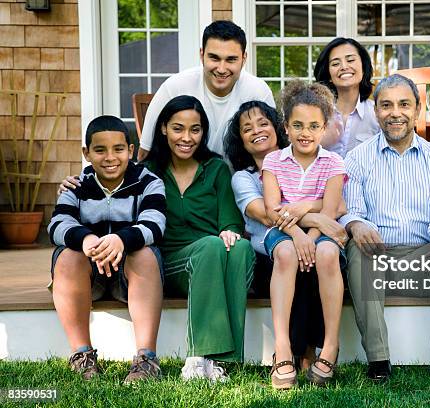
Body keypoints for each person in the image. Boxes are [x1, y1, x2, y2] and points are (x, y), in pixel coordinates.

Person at [341, 74, 430, 383]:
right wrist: (355, 224)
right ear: (376, 110)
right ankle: (378, 361)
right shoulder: (357, 159)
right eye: (386, 105)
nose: (395, 113)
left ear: (417, 109)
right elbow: (347, 212)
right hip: (378, 257)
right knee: (357, 246)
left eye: (404, 104)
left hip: (426, 257)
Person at [224, 101, 347, 374]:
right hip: (269, 246)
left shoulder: (320, 161)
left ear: (276, 128)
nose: (257, 130)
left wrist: (304, 210)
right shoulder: (245, 178)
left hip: (303, 241)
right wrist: (314, 218)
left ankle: (310, 352)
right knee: (292, 258)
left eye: (262, 123)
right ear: (288, 128)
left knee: (314, 261)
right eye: (247, 128)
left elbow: (338, 206)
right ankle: (293, 351)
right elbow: (269, 214)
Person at [142, 95, 254, 381]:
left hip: (212, 257)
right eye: (178, 128)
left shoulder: (215, 168)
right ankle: (197, 358)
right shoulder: (147, 171)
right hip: (170, 264)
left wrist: (230, 230)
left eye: (195, 129)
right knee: (210, 246)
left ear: (204, 132)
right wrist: (75, 184)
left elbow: (229, 219)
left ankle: (220, 362)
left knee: (240, 249)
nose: (187, 137)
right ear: (164, 128)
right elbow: (107, 180)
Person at [48, 116, 166, 383]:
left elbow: (155, 224)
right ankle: (82, 355)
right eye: (100, 150)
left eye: (119, 149)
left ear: (131, 151)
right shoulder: (76, 186)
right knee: (67, 256)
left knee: (147, 253)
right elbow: (57, 224)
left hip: (131, 274)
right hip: (89, 277)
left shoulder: (149, 183)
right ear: (86, 153)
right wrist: (86, 239)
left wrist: (121, 240)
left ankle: (147, 358)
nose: (110, 157)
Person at [261, 81, 347, 388]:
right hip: (283, 233)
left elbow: (332, 207)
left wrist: (308, 230)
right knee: (285, 254)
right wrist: (298, 235)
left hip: (318, 232)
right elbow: (273, 209)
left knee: (327, 253)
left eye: (313, 126)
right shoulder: (274, 161)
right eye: (297, 125)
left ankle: (331, 345)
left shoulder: (333, 162)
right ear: (286, 127)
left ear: (324, 128)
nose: (305, 133)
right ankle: (282, 347)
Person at [137, 20, 274, 160]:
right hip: (183, 179)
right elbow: (145, 152)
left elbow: (274, 152)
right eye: (214, 58)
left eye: (231, 59)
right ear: (202, 55)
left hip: (241, 178)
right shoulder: (174, 87)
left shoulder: (258, 91)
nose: (221, 69)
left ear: (244, 59)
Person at [314, 37, 380, 157]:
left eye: (350, 60)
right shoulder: (315, 113)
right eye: (335, 63)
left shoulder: (377, 114)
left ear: (363, 68)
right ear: (328, 74)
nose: (344, 67)